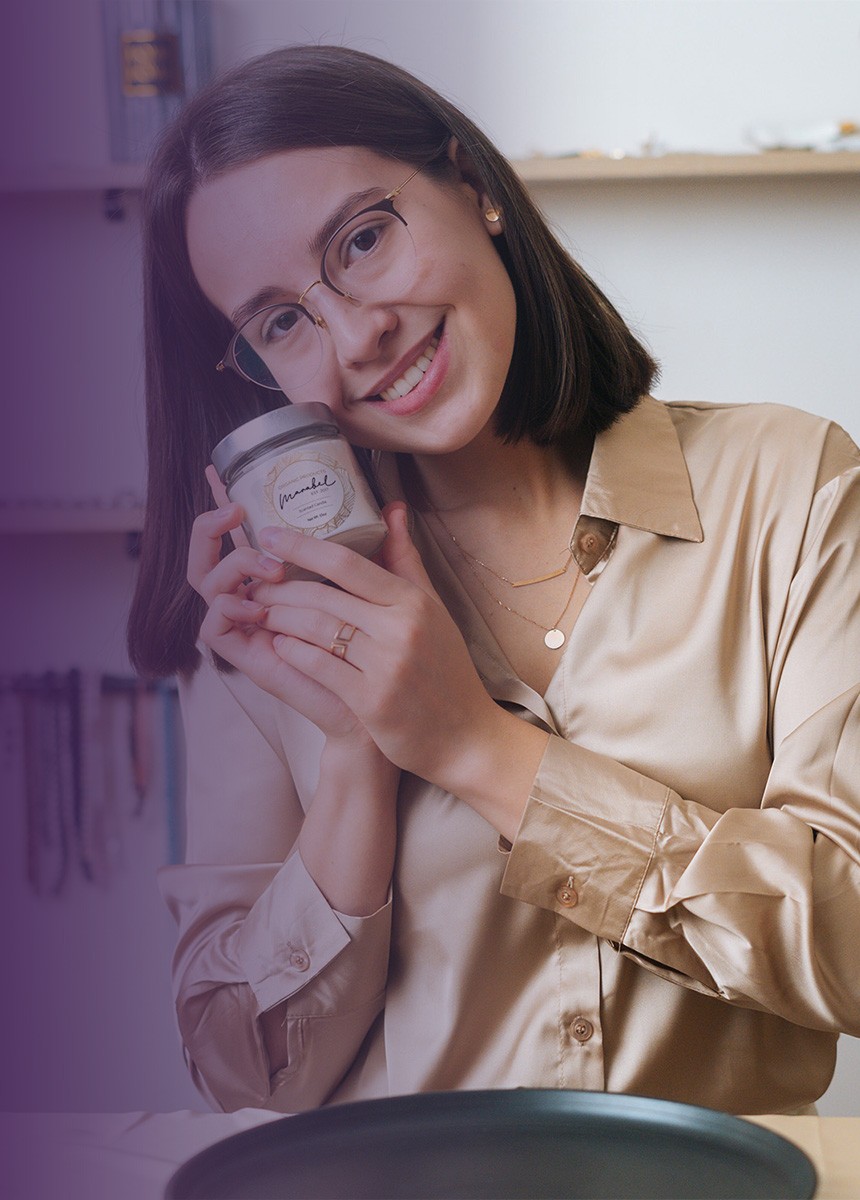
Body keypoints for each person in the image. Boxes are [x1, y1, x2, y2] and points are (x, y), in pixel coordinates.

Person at [127, 44, 860, 1117]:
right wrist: (350, 757)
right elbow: (243, 1073)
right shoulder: (268, 611)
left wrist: (475, 749)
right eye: (281, 321)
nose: (356, 334)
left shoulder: (790, 488)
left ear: (472, 185)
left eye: (362, 240)